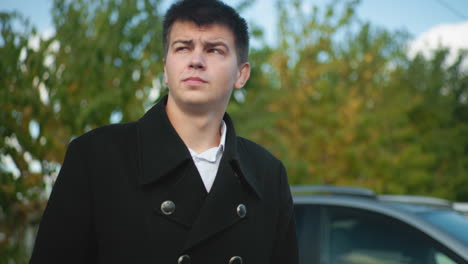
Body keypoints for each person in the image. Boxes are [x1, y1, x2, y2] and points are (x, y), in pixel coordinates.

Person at [30, 0, 298, 263]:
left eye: (214, 50)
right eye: (183, 48)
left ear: (242, 74)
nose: (196, 60)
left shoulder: (268, 175)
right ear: (165, 69)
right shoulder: (96, 158)